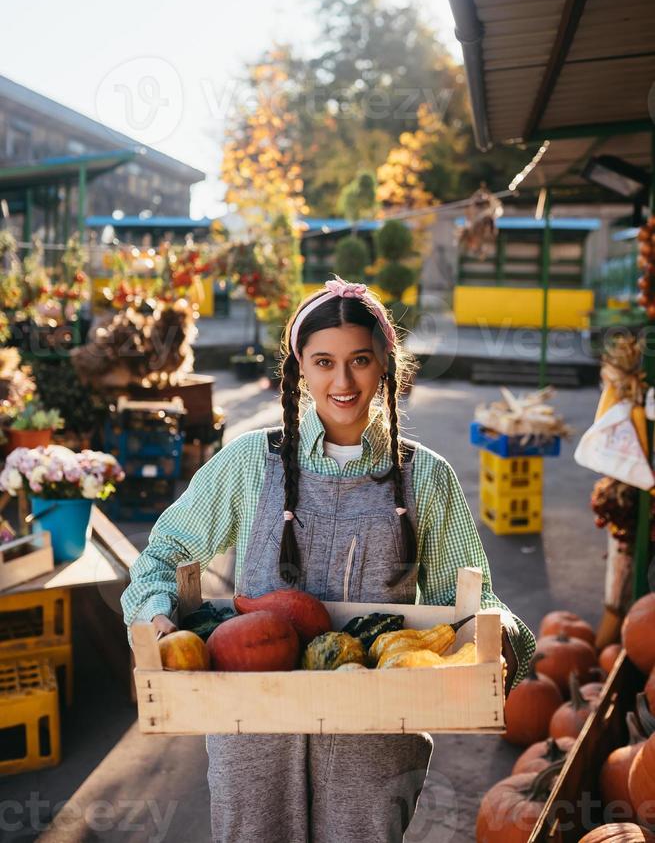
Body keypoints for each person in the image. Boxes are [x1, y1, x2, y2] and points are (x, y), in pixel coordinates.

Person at [121, 276, 536, 843]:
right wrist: (159, 617)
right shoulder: (251, 462)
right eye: (323, 362)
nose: (342, 381)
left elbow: (467, 604)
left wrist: (503, 637)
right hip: (253, 727)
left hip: (379, 733)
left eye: (360, 360)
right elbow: (164, 554)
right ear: (299, 368)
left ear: (385, 364)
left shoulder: (426, 476)